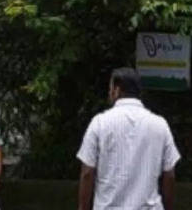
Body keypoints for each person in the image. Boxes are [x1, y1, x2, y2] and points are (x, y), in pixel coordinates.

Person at [76, 68, 181, 210]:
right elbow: (169, 175)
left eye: (110, 89)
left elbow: (87, 173)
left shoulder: (99, 123)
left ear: (117, 90)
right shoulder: (160, 125)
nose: (109, 93)